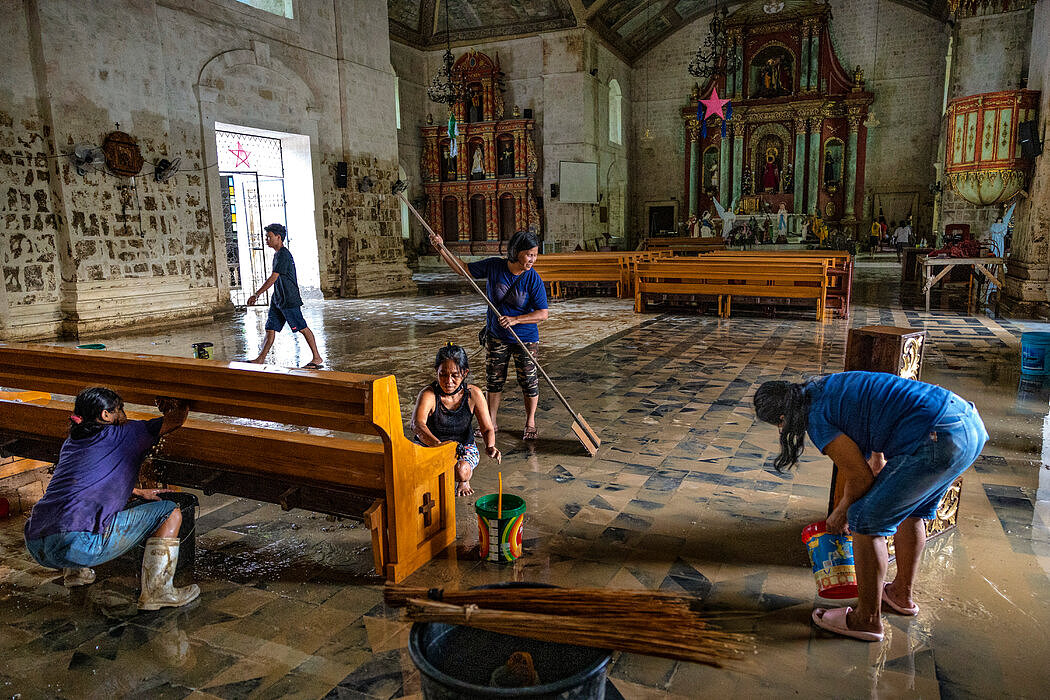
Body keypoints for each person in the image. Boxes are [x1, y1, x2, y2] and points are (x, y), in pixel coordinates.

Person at [753, 372, 987, 642]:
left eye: (779, 425)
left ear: (783, 418)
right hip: (966, 425)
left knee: (864, 521)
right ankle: (900, 594)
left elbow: (860, 477)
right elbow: (874, 457)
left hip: (936, 438)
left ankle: (866, 620)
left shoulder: (816, 417)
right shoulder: (826, 386)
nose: (783, 431)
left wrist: (839, 515)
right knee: (910, 512)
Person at [23, 388, 200, 610]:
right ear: (106, 415)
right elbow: (174, 421)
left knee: (78, 508)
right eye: (120, 409)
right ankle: (158, 592)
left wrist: (136, 492)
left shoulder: (73, 441)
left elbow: (87, 483)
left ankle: (75, 574)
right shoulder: (125, 433)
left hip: (37, 544)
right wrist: (178, 403)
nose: (124, 414)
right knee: (170, 512)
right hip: (78, 545)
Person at [430, 229, 549, 441]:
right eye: (529, 254)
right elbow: (463, 269)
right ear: (516, 252)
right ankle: (491, 421)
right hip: (497, 336)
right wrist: (442, 249)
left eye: (535, 254)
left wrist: (516, 320)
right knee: (494, 381)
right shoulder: (495, 266)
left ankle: (530, 421)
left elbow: (543, 313)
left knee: (529, 381)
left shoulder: (533, 279)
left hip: (525, 338)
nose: (533, 259)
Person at [411, 344, 501, 497]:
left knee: (461, 471)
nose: (448, 381)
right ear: (436, 372)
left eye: (455, 375)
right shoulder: (429, 394)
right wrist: (439, 446)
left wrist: (490, 446)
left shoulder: (474, 394)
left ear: (464, 373)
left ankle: (463, 480)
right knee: (409, 468)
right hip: (431, 444)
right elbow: (417, 424)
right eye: (443, 375)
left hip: (462, 447)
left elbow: (487, 428)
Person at [247, 223, 324, 369]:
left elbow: (273, 278)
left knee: (302, 327)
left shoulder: (283, 254)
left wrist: (257, 294)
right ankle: (260, 359)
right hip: (278, 299)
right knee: (270, 328)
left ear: (278, 237)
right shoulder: (277, 254)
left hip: (289, 299)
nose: (266, 239)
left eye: (269, 237)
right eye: (266, 237)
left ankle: (317, 357)